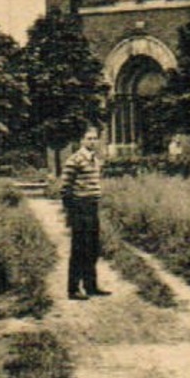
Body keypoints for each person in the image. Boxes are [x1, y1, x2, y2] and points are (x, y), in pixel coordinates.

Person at [60, 125, 111, 299]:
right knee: (79, 249)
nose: (92, 141)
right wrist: (71, 213)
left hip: (92, 206)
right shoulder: (75, 160)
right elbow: (65, 189)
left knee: (92, 248)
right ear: (82, 140)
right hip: (79, 207)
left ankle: (91, 286)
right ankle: (73, 289)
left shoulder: (95, 160)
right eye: (88, 138)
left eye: (94, 138)